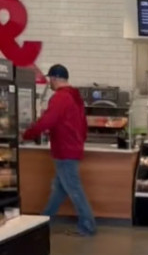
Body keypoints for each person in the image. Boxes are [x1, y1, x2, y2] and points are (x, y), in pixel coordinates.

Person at [23, 64, 96, 237]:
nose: (50, 83)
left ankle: (88, 226)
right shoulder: (75, 96)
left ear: (54, 79)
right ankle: (43, 220)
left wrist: (27, 134)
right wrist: (79, 142)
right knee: (60, 188)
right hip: (73, 147)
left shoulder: (60, 98)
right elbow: (83, 125)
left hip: (64, 149)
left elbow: (48, 121)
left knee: (73, 188)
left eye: (50, 79)